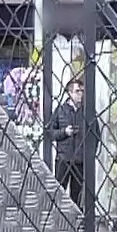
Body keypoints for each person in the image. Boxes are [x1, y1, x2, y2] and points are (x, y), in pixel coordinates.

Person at [47, 76, 88, 208]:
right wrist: (64, 132)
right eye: (77, 91)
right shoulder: (60, 111)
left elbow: (96, 135)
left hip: (80, 160)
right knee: (59, 192)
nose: (80, 94)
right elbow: (50, 133)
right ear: (69, 93)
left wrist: (88, 153)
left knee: (77, 195)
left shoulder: (87, 112)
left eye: (81, 91)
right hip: (63, 159)